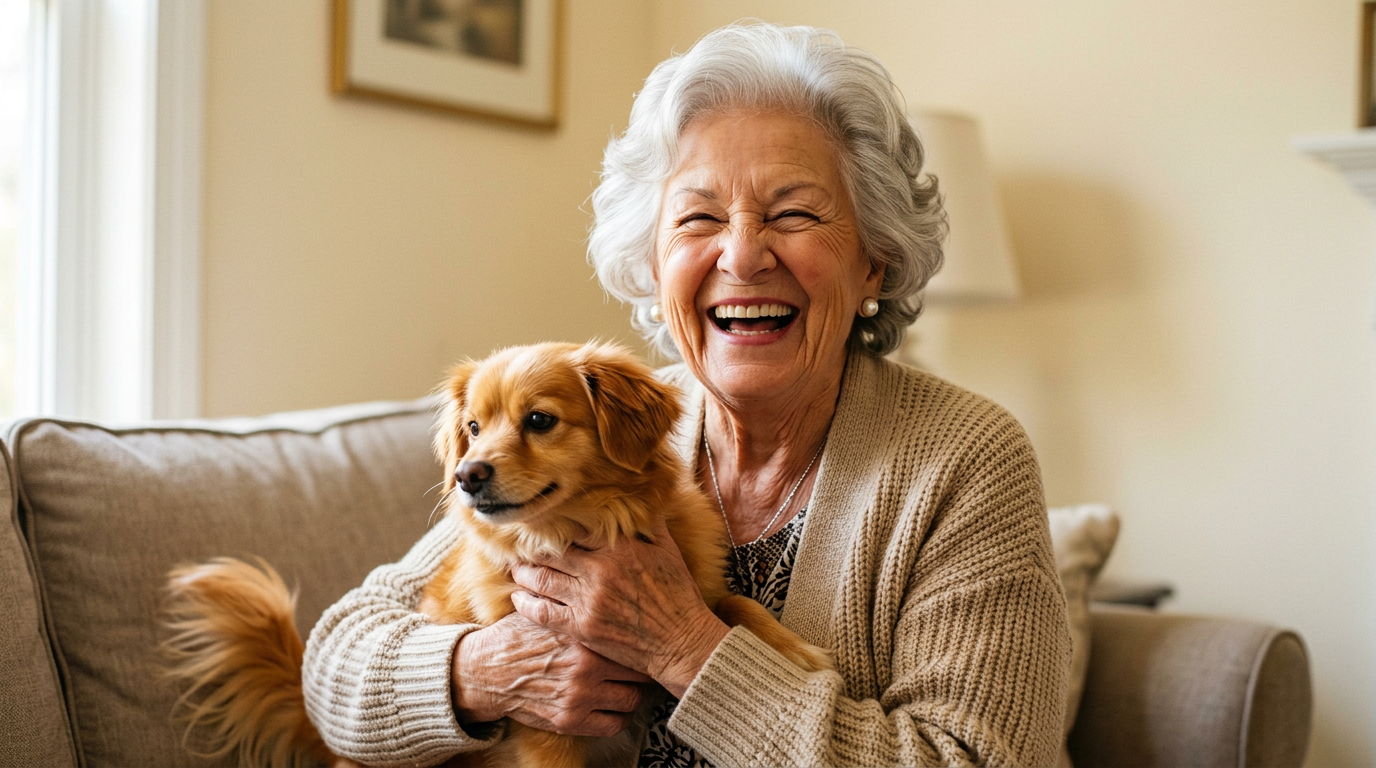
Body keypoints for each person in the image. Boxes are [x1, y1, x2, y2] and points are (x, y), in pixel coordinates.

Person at [302, 22, 1070, 768]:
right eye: (698, 216)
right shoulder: (613, 437)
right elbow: (335, 662)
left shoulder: (966, 459)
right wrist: (486, 671)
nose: (741, 254)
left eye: (793, 213)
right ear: (652, 260)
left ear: (876, 261)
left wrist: (683, 645)